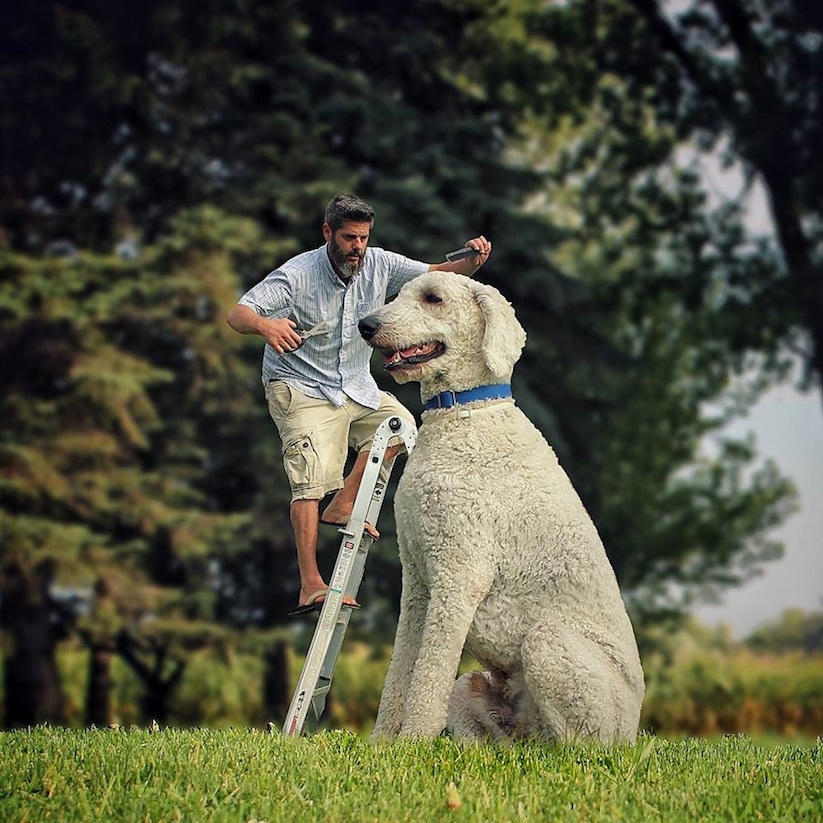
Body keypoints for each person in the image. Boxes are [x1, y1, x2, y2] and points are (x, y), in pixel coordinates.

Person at [226, 193, 491, 613]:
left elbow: (438, 273)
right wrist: (265, 325)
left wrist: (471, 263)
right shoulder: (297, 275)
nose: (357, 247)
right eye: (349, 238)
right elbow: (238, 313)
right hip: (300, 385)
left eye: (364, 238)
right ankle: (310, 582)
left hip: (354, 385)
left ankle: (346, 501)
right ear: (328, 232)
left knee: (401, 426)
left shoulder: (379, 263)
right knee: (309, 480)